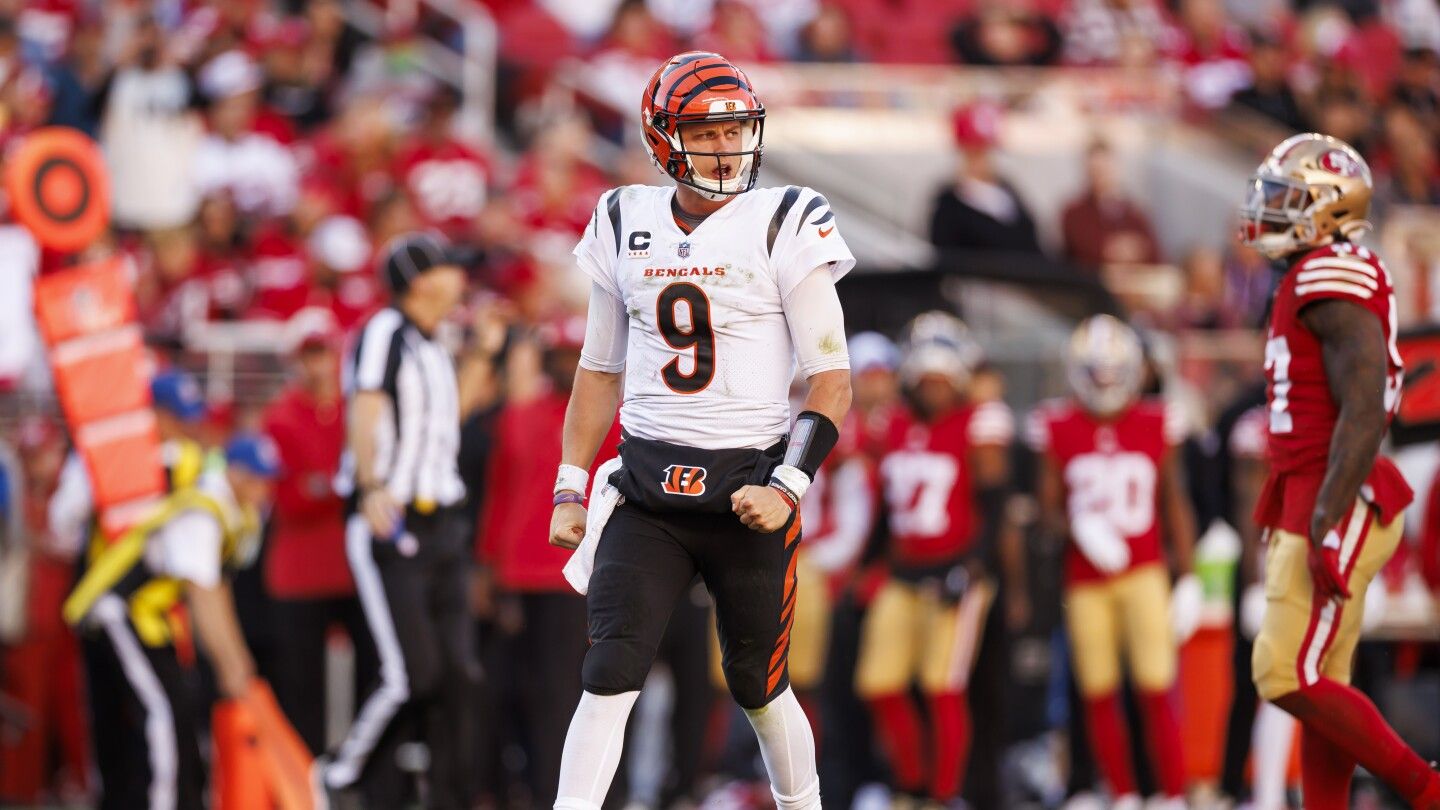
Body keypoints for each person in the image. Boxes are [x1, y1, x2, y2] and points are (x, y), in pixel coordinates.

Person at [547, 52, 854, 810]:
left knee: (757, 685)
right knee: (609, 670)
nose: (725, 148)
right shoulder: (623, 219)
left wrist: (788, 484)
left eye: (735, 131)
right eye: (705, 132)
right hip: (648, 489)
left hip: (748, 484)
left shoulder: (785, 220)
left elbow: (832, 379)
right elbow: (597, 369)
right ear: (662, 137)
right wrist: (570, 484)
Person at [1237, 132, 1440, 808]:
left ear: (1327, 208)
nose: (1269, 210)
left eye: (1286, 198)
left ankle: (1425, 787)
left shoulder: (1332, 270)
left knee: (1281, 672)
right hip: (1319, 486)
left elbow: (1362, 404)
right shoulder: (1312, 270)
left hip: (1335, 490)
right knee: (1324, 676)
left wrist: (1327, 510)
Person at [320, 232, 476, 810]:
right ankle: (341, 773)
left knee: (456, 672)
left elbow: (444, 421)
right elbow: (366, 406)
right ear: (422, 280)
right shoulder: (385, 331)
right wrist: (368, 484)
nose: (461, 281)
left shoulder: (434, 345)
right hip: (396, 516)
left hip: (442, 522)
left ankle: (438, 792)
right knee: (408, 673)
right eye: (450, 270)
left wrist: (482, 357)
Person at [1029, 315, 1200, 807]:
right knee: (1099, 692)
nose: (1104, 382)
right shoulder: (1057, 425)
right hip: (1084, 579)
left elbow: (1175, 500)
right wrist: (1078, 526)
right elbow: (1046, 509)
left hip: (1145, 570)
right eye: (1095, 372)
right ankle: (1123, 793)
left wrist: (1187, 577)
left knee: (1156, 686)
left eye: (1112, 371)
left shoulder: (1156, 420)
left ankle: (1172, 794)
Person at [61, 434, 279, 810]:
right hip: (116, 611)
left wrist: (240, 663)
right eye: (260, 479)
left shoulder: (229, 514)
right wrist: (231, 665)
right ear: (239, 475)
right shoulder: (203, 512)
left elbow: (217, 588)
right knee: (162, 713)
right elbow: (204, 598)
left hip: (146, 617)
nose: (266, 490)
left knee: (177, 710)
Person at [857, 312, 1013, 806]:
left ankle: (943, 795)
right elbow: (886, 506)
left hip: (955, 571)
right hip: (904, 573)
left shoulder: (977, 422)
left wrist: (974, 567)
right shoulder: (895, 424)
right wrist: (869, 562)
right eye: (925, 378)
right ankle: (911, 784)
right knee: (879, 682)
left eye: (942, 378)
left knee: (943, 687)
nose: (933, 387)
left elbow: (994, 505)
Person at [476, 315, 621, 807]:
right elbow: (502, 494)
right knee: (522, 697)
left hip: (578, 579)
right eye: (557, 355)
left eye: (572, 356)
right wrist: (487, 567)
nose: (564, 364)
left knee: (576, 697)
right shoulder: (519, 415)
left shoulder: (612, 418)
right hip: (520, 578)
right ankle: (538, 794)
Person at [262, 326, 378, 755]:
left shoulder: (355, 410)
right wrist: (344, 483)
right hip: (301, 575)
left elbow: (350, 481)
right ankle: (302, 782)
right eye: (308, 356)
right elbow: (291, 499)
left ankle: (365, 778)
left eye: (323, 354)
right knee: (300, 691)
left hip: (353, 571)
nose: (318, 365)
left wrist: (324, 483)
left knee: (374, 682)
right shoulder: (281, 415)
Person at [928, 103, 1042, 255]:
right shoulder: (949, 200)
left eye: (985, 151)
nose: (981, 160)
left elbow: (1031, 238)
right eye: (974, 152)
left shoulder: (1007, 190)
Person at [1060, 141, 1162, 274]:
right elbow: (1080, 252)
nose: (1100, 175)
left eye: (1104, 169)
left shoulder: (1134, 212)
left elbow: (1155, 254)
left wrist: (1135, 250)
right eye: (1095, 170)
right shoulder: (1074, 213)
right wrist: (1110, 250)